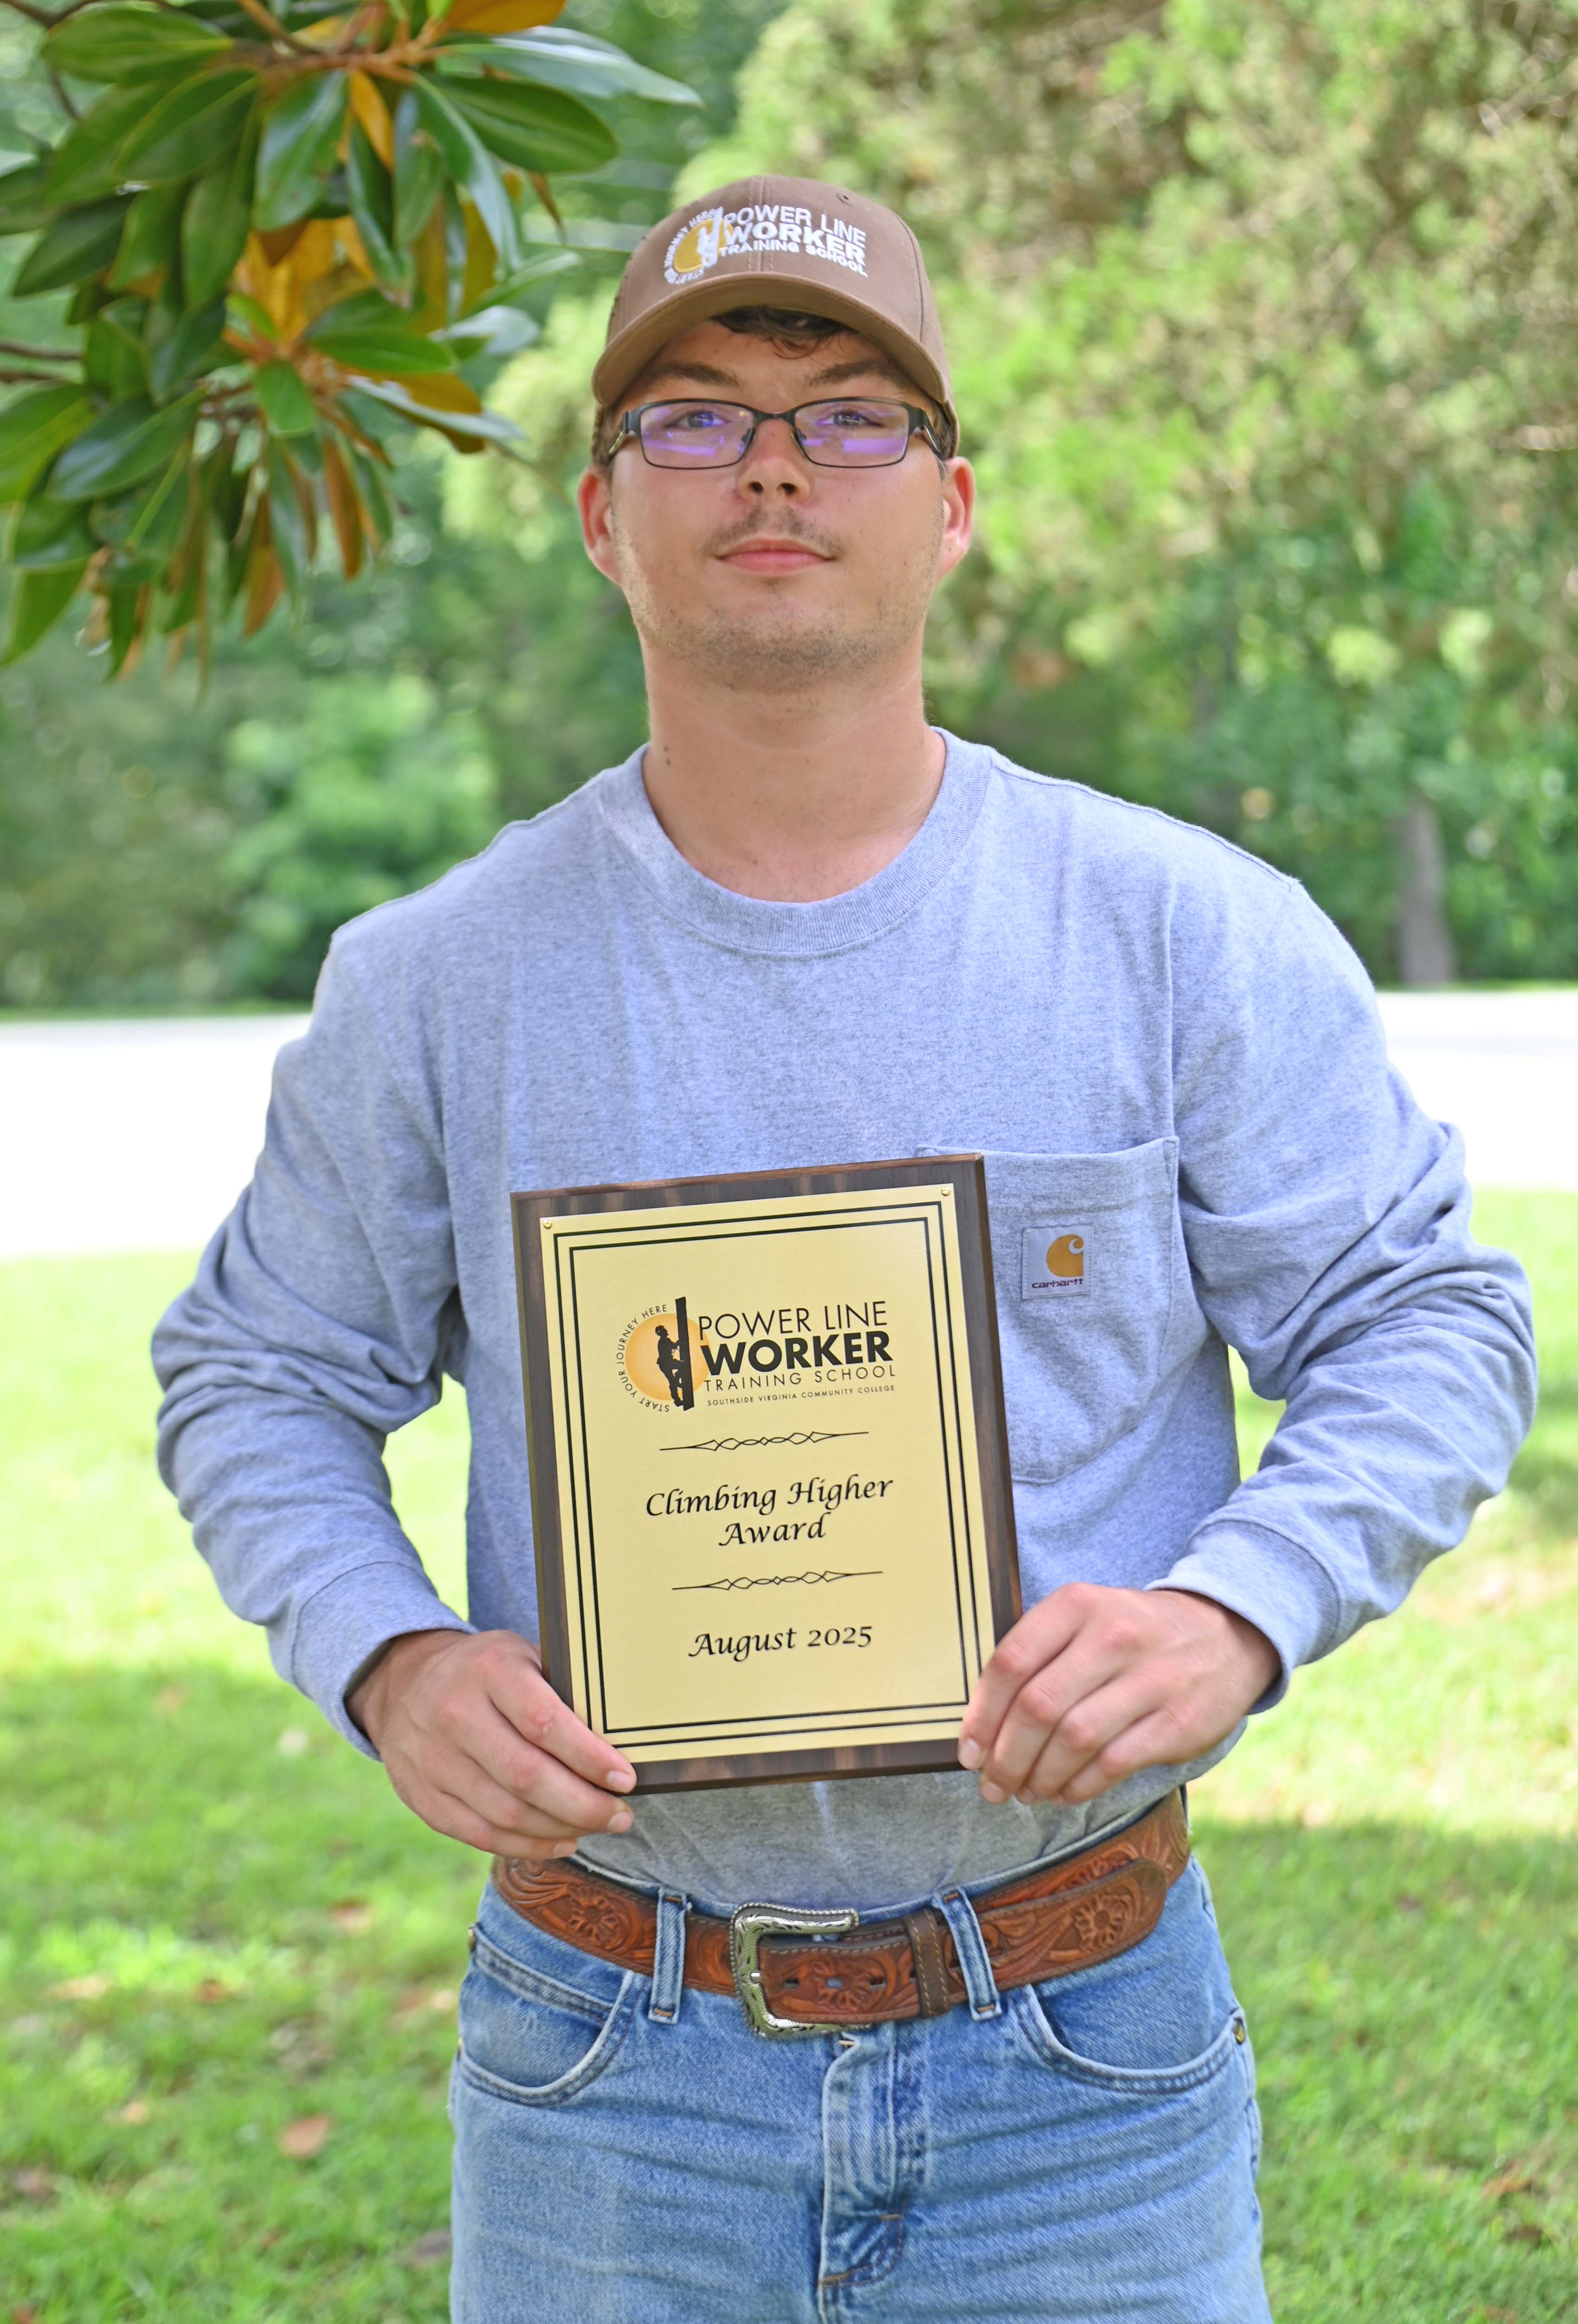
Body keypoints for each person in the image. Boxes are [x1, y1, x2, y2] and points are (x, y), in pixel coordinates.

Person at [153, 175, 1536, 2322]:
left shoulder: (1175, 930)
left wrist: (1237, 1610)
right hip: (606, 2062)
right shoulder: (436, 980)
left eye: (850, 412)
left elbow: (1419, 1315)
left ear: (953, 506)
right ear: (605, 516)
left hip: (1080, 2053)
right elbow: (257, 1368)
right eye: (694, 418)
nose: (776, 462)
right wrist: (386, 1650)